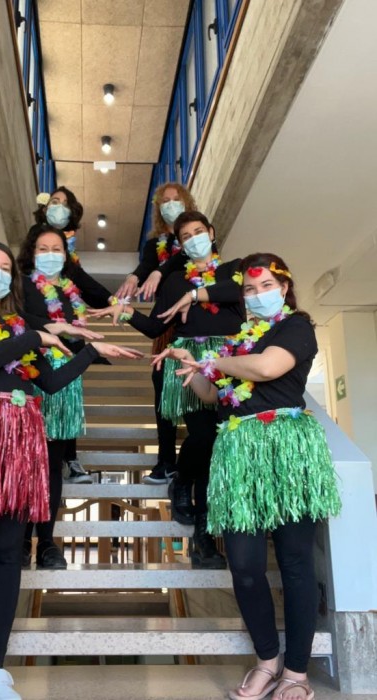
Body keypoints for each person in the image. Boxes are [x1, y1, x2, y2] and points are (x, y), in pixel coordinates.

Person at [0, 241, 142, 700]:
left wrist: (90, 353)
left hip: (21, 440)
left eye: (3, 267)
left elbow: (50, 382)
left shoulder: (18, 326)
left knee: (6, 555)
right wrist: (39, 335)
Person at [162, 253, 341, 700]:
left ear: (284, 288)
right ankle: (267, 661)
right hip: (238, 453)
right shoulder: (238, 341)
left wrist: (215, 363)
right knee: (243, 565)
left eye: (266, 287)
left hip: (285, 449)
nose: (258, 295)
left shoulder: (296, 327)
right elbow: (211, 396)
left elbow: (266, 369)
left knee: (295, 562)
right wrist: (193, 364)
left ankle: (296, 673)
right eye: (249, 289)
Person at [90, 211, 243, 569]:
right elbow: (155, 326)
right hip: (190, 362)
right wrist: (126, 312)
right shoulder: (175, 280)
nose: (193, 239)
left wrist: (196, 295)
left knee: (218, 448)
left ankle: (201, 526)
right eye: (185, 236)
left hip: (231, 362)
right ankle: (195, 516)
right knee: (204, 437)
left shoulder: (234, 269)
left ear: (211, 233)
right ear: (180, 245)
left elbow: (238, 292)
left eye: (198, 232)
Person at [17, 224, 133, 569]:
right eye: (43, 248)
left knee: (53, 464)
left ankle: (47, 541)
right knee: (28, 462)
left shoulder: (70, 290)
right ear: (31, 253)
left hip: (67, 376)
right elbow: (14, 319)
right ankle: (20, 540)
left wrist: (111, 309)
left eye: (57, 248)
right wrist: (56, 327)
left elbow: (88, 314)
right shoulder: (19, 285)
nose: (50, 254)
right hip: (32, 371)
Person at [30, 186, 116, 481]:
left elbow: (88, 285)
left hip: (68, 350)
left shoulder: (69, 269)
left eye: (65, 204)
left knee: (67, 405)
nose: (59, 207)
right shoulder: (25, 279)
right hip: (37, 353)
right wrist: (49, 327)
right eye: (54, 201)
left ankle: (70, 458)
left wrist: (114, 302)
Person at [115, 183, 197, 485]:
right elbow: (148, 264)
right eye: (165, 201)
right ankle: (165, 462)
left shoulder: (196, 238)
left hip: (198, 323)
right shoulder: (155, 244)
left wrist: (160, 272)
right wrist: (134, 276)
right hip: (165, 323)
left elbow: (184, 258)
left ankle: (197, 462)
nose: (171, 204)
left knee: (196, 393)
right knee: (163, 389)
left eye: (176, 199)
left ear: (187, 202)